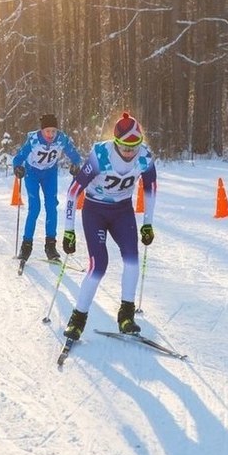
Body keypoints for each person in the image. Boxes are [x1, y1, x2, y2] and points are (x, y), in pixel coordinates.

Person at [60, 112, 157, 340]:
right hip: (95, 211)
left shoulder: (145, 157)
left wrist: (148, 224)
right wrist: (68, 230)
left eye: (134, 147)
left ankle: (126, 315)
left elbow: (150, 190)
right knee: (99, 264)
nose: (129, 153)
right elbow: (74, 191)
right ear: (116, 142)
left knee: (132, 258)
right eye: (124, 148)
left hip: (122, 211)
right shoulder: (101, 155)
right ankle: (78, 319)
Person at [13, 114, 82, 263]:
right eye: (47, 131)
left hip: (50, 173)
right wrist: (17, 167)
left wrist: (76, 163)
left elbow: (74, 154)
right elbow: (19, 157)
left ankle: (50, 245)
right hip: (32, 173)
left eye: (53, 131)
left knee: (51, 206)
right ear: (42, 130)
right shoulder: (34, 140)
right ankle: (26, 245)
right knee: (35, 208)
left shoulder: (61, 138)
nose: (51, 134)